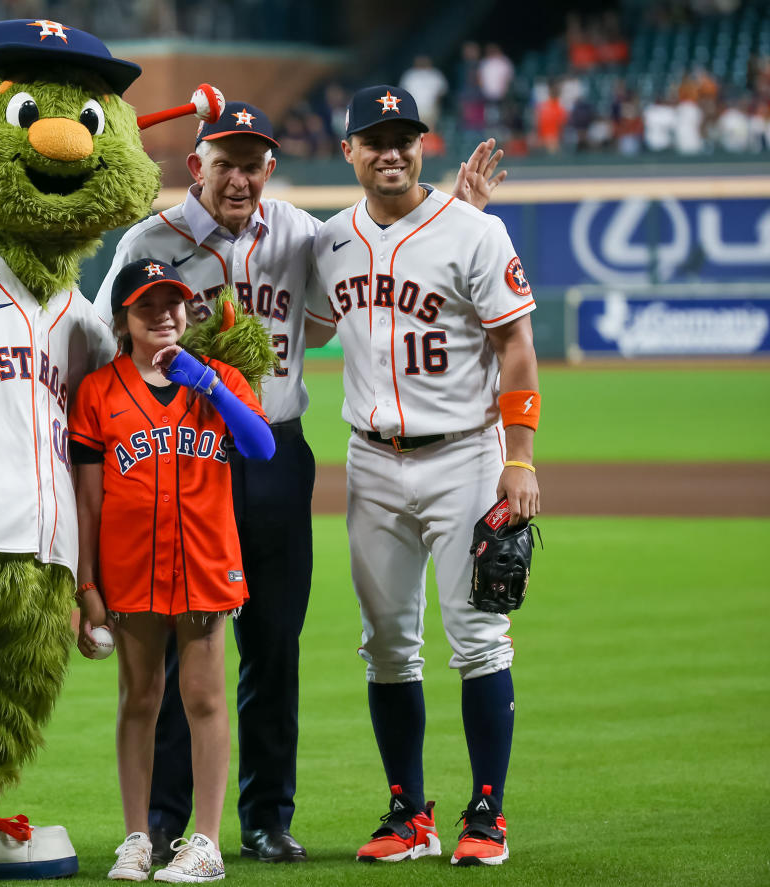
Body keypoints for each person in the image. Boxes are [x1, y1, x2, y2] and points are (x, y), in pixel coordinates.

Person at [95, 100, 507, 866]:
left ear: (270, 169)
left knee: (272, 644)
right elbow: (101, 344)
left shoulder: (301, 235)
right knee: (183, 641)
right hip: (183, 460)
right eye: (226, 163)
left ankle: (265, 817)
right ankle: (162, 819)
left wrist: (466, 213)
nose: (240, 178)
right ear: (197, 168)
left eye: (254, 164)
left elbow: (377, 274)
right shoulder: (149, 243)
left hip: (277, 450)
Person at [311, 84, 541, 867]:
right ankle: (408, 811)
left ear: (422, 144)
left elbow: (516, 346)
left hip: (467, 455)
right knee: (385, 644)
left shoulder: (474, 232)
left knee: (478, 636)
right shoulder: (331, 241)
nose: (390, 150)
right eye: (374, 138)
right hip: (372, 460)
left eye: (403, 136)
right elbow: (304, 323)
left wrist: (520, 456)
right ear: (349, 151)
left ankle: (487, 812)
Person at [71, 259, 275, 883]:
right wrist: (86, 586)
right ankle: (137, 839)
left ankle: (206, 844)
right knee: (139, 701)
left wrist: (205, 382)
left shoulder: (219, 379)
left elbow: (262, 445)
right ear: (123, 320)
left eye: (173, 303)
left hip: (205, 566)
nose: (163, 315)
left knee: (205, 702)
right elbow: (88, 498)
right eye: (146, 306)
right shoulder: (98, 392)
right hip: (130, 572)